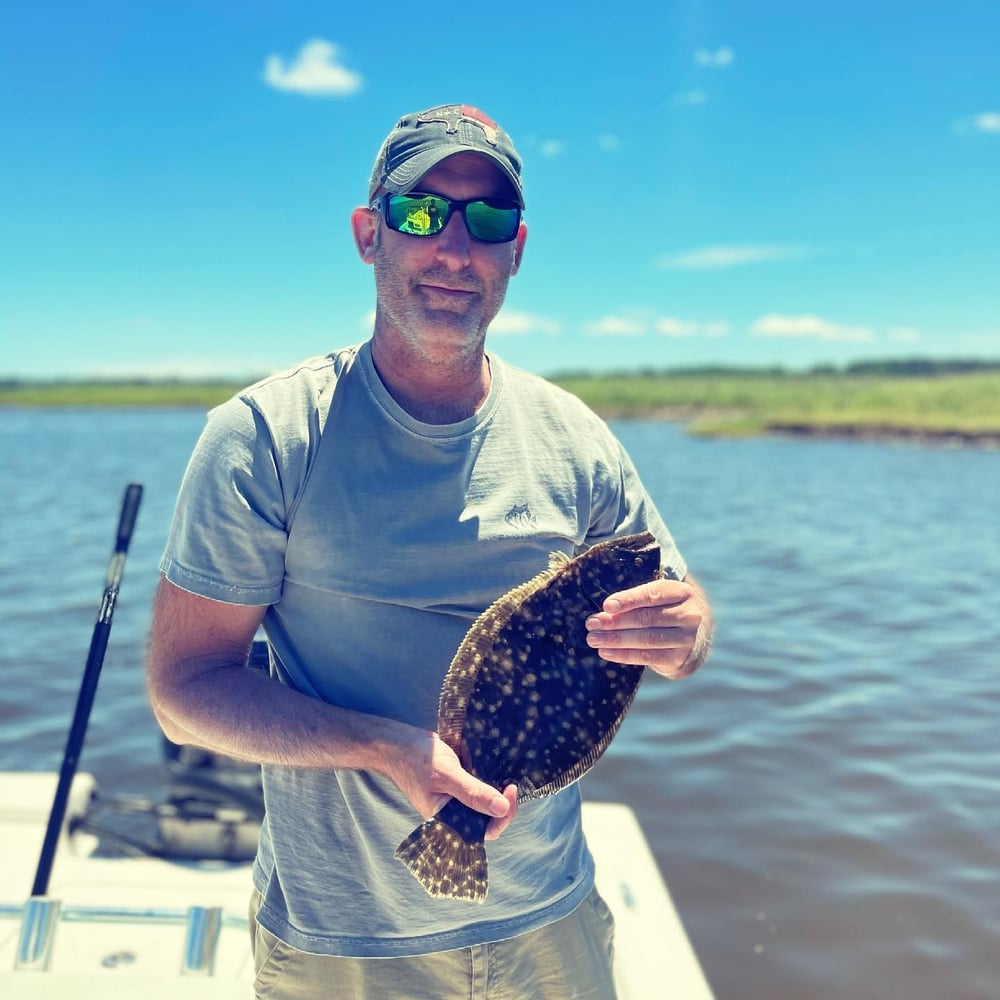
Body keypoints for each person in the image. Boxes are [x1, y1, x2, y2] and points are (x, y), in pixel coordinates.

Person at [148, 103, 713, 999]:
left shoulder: (575, 436)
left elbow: (677, 603)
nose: (454, 247)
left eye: (487, 222)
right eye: (421, 213)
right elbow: (183, 697)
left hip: (548, 915)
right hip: (345, 942)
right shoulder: (265, 435)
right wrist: (384, 747)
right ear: (369, 234)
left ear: (516, 251)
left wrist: (685, 632)